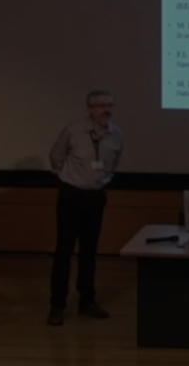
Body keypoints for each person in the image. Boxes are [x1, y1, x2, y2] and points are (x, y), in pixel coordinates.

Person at [47, 89, 123, 325]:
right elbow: (56, 156)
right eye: (101, 106)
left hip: (96, 197)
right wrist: (68, 179)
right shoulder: (74, 130)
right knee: (64, 251)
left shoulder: (116, 134)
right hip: (71, 195)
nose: (106, 110)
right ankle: (57, 304)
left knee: (89, 252)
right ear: (90, 109)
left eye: (109, 105)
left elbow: (113, 164)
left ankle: (87, 301)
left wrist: (102, 181)